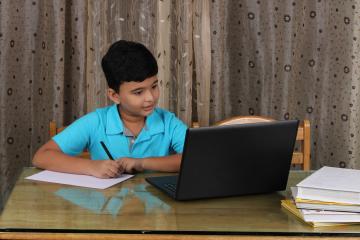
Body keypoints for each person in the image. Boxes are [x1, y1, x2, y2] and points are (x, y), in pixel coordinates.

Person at [32, 40, 187, 179]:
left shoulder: (168, 122)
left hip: (156, 208)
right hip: (107, 208)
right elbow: (41, 156)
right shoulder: (96, 122)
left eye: (154, 86)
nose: (150, 98)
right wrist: (92, 167)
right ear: (114, 95)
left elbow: (196, 158)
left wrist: (142, 163)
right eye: (138, 92)